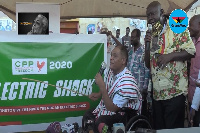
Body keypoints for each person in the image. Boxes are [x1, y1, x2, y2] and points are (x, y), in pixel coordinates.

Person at [144, 1, 196, 129]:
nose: (150, 18)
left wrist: (170, 56)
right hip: (157, 95)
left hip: (175, 92)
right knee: (160, 129)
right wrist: (147, 45)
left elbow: (191, 51)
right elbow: (147, 64)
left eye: (152, 14)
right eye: (147, 15)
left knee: (172, 130)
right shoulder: (153, 35)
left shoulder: (176, 26)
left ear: (161, 13)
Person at [82, 45, 142, 133]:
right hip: (112, 108)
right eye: (111, 55)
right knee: (88, 115)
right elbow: (110, 89)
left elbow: (113, 108)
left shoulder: (127, 82)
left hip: (124, 113)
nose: (111, 58)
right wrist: (99, 94)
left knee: (101, 123)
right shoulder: (111, 72)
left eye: (115, 56)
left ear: (123, 60)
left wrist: (102, 87)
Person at [127, 29, 150, 116]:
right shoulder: (130, 52)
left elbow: (147, 70)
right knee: (130, 113)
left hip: (139, 89)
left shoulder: (144, 52)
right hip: (129, 88)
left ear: (138, 37)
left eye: (133, 37)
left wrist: (145, 88)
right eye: (131, 37)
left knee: (139, 114)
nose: (131, 39)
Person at [188, 14, 200, 127]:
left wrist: (195, 105)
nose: (188, 27)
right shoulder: (192, 42)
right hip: (192, 96)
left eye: (191, 25)